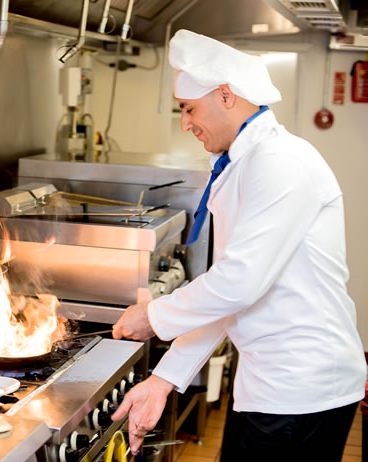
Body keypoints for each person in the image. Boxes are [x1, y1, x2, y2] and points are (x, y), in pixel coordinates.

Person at [110, 29, 366, 461]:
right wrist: (164, 378)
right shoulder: (245, 163)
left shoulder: (280, 162)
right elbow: (229, 294)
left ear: (226, 96)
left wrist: (153, 315)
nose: (186, 123)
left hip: (301, 389)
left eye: (189, 109)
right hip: (273, 385)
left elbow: (238, 284)